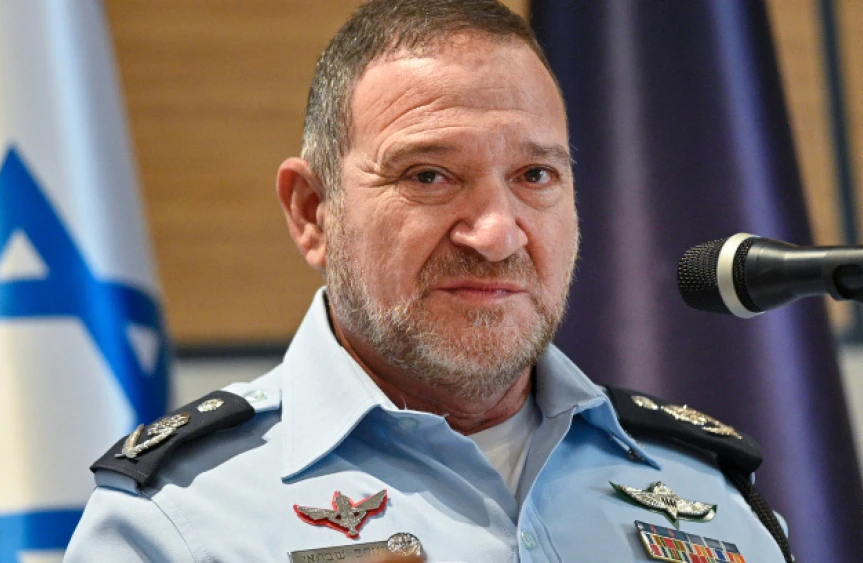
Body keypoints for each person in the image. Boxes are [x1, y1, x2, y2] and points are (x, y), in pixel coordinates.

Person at [65, 1, 790, 561]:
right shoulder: (176, 520)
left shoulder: (711, 493)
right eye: (430, 176)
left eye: (535, 175)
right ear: (313, 212)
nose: (497, 234)